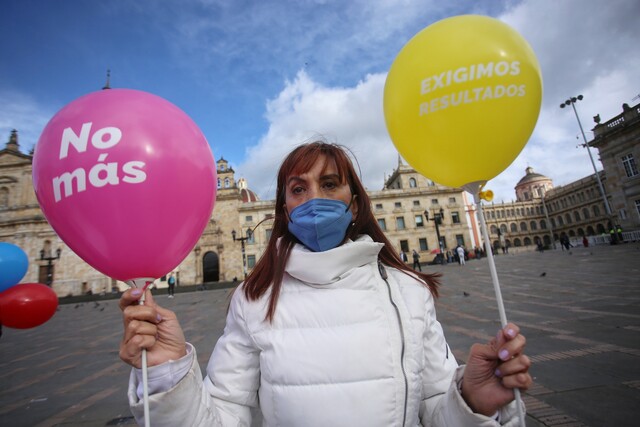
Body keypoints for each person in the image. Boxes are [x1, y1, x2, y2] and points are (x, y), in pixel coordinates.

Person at [119, 141, 530, 426]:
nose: (315, 198)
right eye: (299, 188)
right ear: (285, 207)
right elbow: (223, 415)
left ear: (354, 203)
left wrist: (472, 403)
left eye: (330, 184)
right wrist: (166, 374)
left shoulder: (408, 291)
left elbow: (437, 410)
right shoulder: (254, 299)